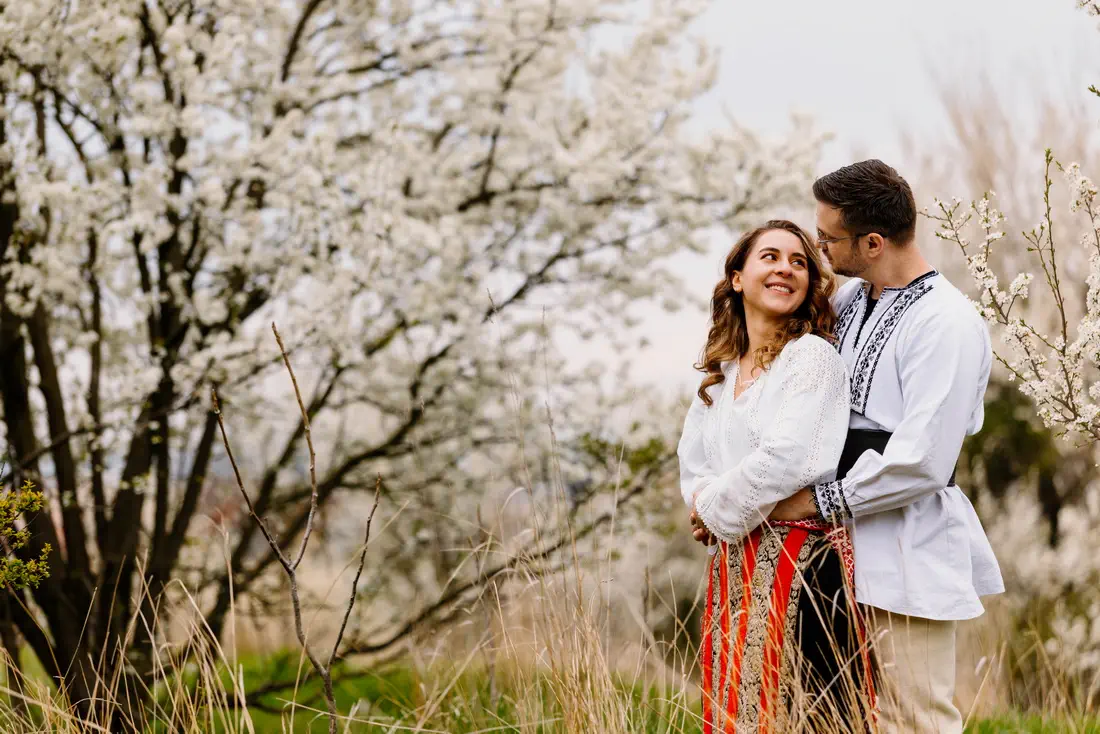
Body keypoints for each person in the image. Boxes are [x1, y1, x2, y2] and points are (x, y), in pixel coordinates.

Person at [769, 160, 1005, 733]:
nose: (820, 247)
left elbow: (923, 459)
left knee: (914, 717)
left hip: (906, 542)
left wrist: (817, 501)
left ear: (872, 242)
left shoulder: (945, 322)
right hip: (828, 548)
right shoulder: (852, 301)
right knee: (830, 713)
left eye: (828, 238)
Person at [678, 219, 874, 733]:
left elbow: (788, 459)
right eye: (769, 256)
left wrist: (714, 511)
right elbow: (694, 466)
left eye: (799, 261)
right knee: (736, 711)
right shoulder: (720, 377)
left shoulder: (810, 358)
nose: (785, 268)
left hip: (803, 566)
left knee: (801, 711)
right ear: (738, 277)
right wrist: (704, 503)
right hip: (733, 567)